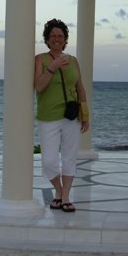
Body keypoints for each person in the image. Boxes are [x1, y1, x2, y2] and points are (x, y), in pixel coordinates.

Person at [34, 18, 89, 213]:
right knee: (48, 161)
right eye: (53, 36)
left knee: (69, 157)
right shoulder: (41, 59)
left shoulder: (73, 60)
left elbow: (80, 88)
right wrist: (53, 66)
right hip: (48, 116)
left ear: (65, 39)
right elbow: (39, 86)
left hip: (71, 116)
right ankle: (58, 190)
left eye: (60, 36)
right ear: (47, 39)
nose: (57, 39)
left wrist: (85, 115)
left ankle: (65, 197)